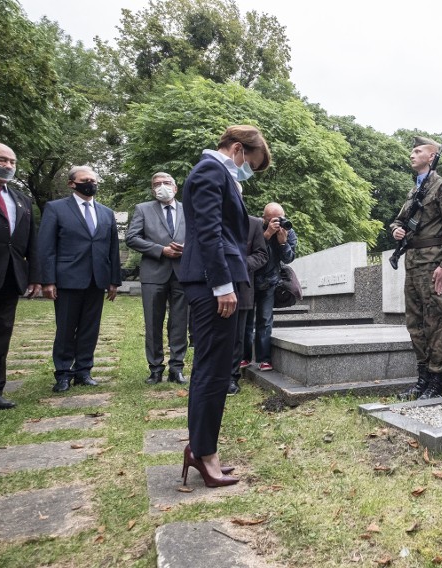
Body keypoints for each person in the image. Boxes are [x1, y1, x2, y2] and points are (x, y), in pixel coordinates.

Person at [179, 125, 271, 488]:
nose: (248, 169)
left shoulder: (220, 175)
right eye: (250, 161)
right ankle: (203, 453)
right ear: (237, 149)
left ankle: (203, 448)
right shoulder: (210, 171)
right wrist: (222, 285)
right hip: (210, 283)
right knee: (212, 370)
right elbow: (210, 233)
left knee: (216, 369)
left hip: (215, 281)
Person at [392, 136, 442, 400]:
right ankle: (422, 379)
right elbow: (397, 221)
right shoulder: (415, 191)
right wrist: (397, 231)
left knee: (435, 322)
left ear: (432, 157)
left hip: (433, 264)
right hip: (413, 264)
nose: (412, 154)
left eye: (418, 150)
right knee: (415, 324)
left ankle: (436, 381)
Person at [38, 166, 122, 393]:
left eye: (94, 180)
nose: (91, 183)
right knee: (65, 328)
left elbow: (112, 248)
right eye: (85, 180)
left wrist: (114, 280)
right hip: (67, 279)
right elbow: (46, 247)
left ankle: (84, 370)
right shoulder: (55, 209)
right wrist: (48, 280)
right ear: (71, 184)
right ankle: (63, 373)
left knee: (90, 328)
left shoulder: (106, 212)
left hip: (97, 279)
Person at [125, 173, 188, 385]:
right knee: (153, 322)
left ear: (175, 187)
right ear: (152, 190)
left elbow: (200, 236)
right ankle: (155, 368)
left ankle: (177, 368)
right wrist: (161, 250)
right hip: (154, 273)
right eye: (157, 184)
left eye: (166, 183)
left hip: (182, 273)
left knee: (180, 322)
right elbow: (132, 238)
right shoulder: (143, 209)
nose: (162, 187)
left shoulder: (189, 208)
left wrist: (187, 249)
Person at [0, 142, 40, 410]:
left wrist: (34, 275)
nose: (8, 165)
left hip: (9, 276)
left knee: (0, 333)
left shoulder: (21, 199)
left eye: (12, 162)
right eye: (1, 159)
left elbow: (31, 241)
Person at [243, 202, 297, 371]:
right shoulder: (255, 228)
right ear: (264, 218)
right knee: (246, 322)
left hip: (270, 282)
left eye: (280, 217)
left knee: (265, 321)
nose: (278, 221)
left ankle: (264, 359)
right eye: (273, 218)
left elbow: (289, 258)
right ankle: (243, 357)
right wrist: (266, 236)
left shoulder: (288, 230)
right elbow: (247, 253)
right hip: (249, 281)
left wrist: (282, 243)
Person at [230, 214, 268, 395]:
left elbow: (261, 255)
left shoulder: (254, 224)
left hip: (241, 288)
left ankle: (231, 377)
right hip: (209, 288)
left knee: (237, 336)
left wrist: (239, 264)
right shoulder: (209, 218)